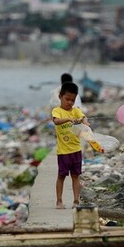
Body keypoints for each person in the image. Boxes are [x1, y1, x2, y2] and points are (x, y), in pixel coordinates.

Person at [52, 81, 89, 209]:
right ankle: (59, 201)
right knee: (61, 176)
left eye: (72, 100)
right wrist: (68, 119)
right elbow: (56, 121)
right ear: (60, 96)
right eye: (67, 99)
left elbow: (84, 117)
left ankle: (76, 201)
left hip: (76, 150)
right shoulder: (57, 111)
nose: (69, 102)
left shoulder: (76, 111)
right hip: (63, 151)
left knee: (75, 176)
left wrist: (85, 123)